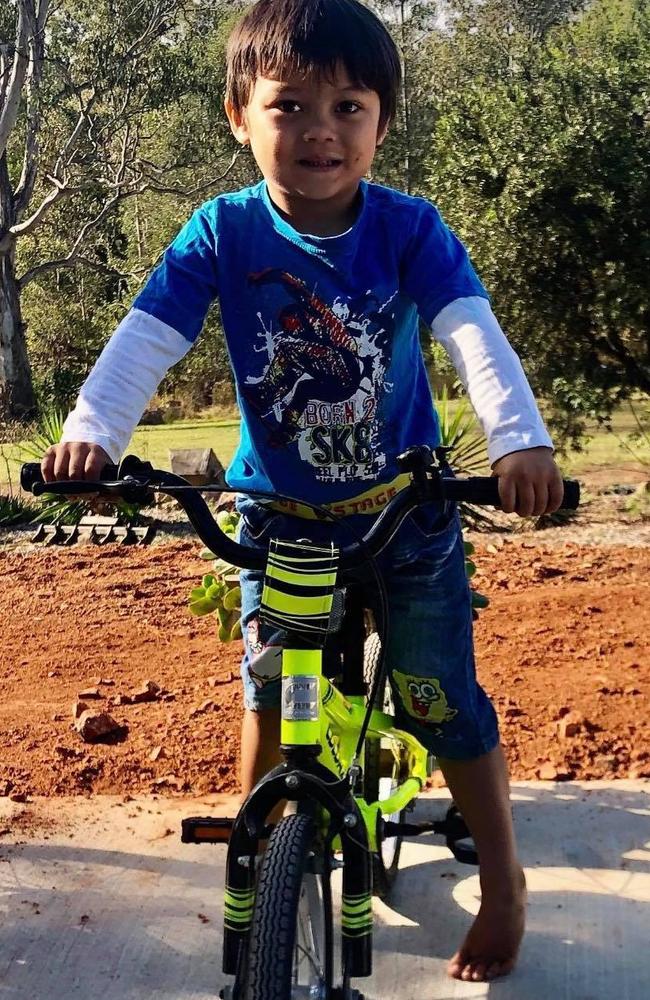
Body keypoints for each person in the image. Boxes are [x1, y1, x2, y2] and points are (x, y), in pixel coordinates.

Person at [42, 0, 564, 984]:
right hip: (280, 519)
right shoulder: (222, 233)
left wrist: (518, 442)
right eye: (289, 106)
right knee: (278, 692)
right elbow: (146, 337)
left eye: (348, 104)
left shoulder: (409, 229)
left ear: (380, 122)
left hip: (404, 518)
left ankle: (501, 879)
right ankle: (259, 857)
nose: (320, 127)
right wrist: (91, 436)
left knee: (436, 694)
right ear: (238, 115)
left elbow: (468, 331)